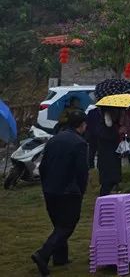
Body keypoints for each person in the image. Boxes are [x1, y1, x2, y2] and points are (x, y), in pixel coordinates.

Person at [31, 110, 89, 276]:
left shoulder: (54, 140)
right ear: (82, 125)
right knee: (67, 225)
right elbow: (81, 171)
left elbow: (42, 166)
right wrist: (81, 190)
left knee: (58, 224)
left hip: (50, 189)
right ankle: (43, 254)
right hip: (68, 191)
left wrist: (45, 185)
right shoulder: (79, 143)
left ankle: (60, 258)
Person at [96, 107, 123, 196]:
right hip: (107, 159)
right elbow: (107, 137)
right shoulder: (103, 125)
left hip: (112, 158)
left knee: (112, 182)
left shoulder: (111, 124)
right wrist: (118, 132)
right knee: (107, 183)